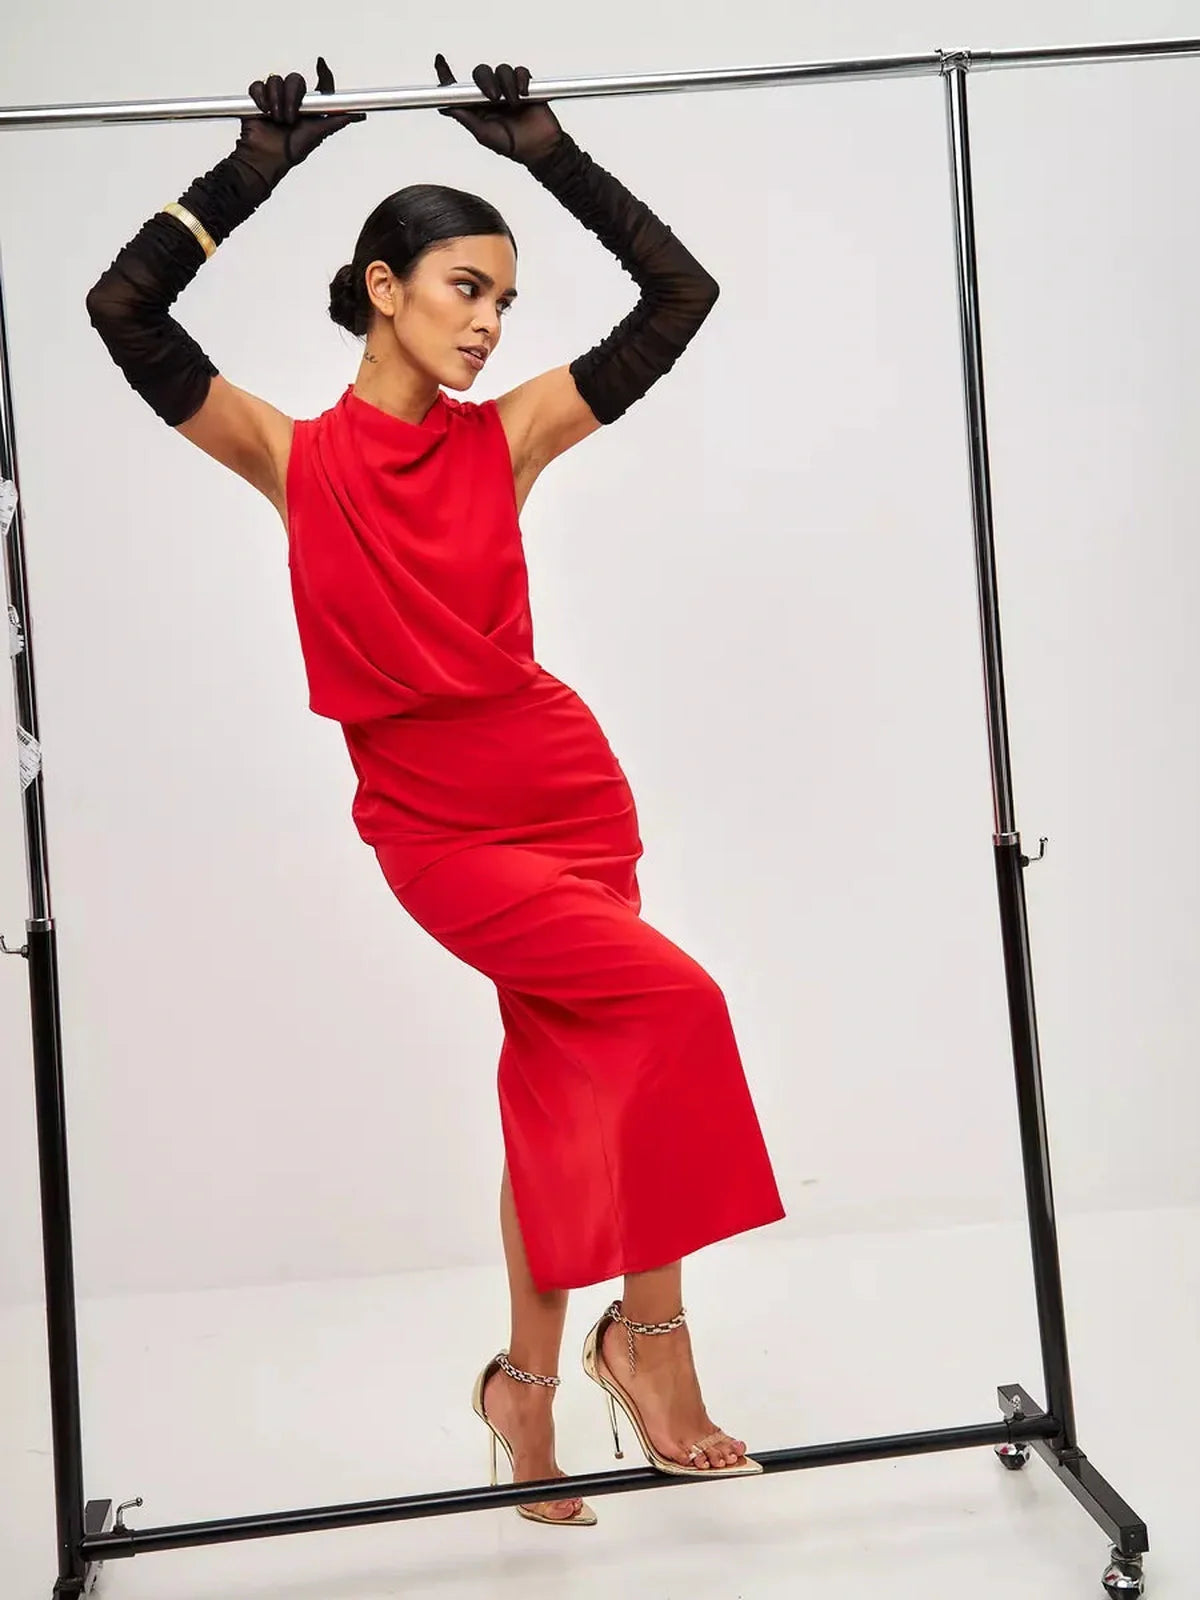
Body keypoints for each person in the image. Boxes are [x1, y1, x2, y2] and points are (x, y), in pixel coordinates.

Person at [86, 54, 786, 1526]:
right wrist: (247, 173)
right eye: (466, 288)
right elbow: (122, 312)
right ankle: (646, 1348)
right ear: (381, 285)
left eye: (506, 302)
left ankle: (523, 1394)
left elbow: (682, 299)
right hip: (443, 840)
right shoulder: (289, 455)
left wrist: (555, 158)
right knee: (676, 1008)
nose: (488, 323)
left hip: (573, 807)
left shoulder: (512, 435)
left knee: (568, 1088)